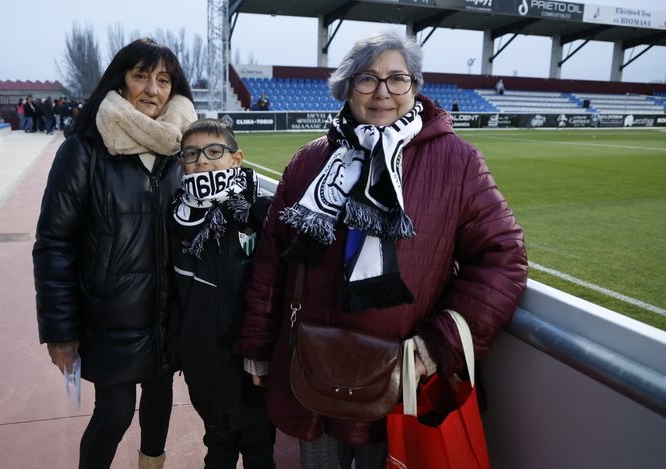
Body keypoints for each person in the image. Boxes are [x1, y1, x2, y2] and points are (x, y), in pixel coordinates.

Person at [235, 30, 527, 468]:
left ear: (415, 86)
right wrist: (258, 343)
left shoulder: (458, 161)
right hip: (311, 369)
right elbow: (272, 259)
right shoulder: (309, 161)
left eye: (397, 79)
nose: (382, 93)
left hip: (400, 377)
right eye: (367, 79)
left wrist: (438, 345)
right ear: (347, 88)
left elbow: (503, 258)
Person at [33, 38, 197, 469]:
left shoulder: (184, 151)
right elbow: (54, 243)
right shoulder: (84, 149)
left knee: (159, 409)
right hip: (110, 319)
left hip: (168, 317)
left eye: (163, 80)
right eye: (140, 76)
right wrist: (60, 329)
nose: (152, 90)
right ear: (120, 82)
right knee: (114, 415)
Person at [169, 119, 275, 468]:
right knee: (218, 445)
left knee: (260, 449)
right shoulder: (175, 217)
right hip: (204, 360)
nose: (202, 161)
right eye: (192, 154)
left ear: (237, 158)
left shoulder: (262, 210)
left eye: (214, 152)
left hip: (255, 361)